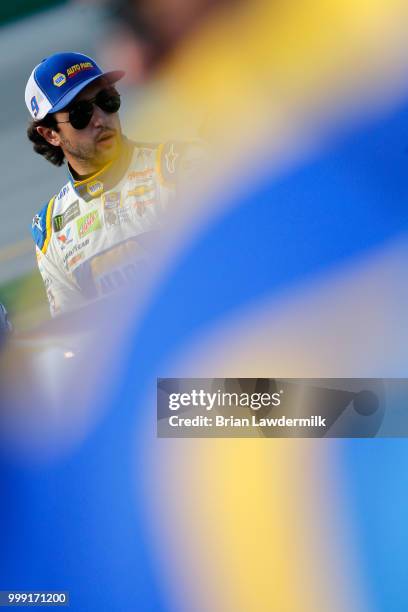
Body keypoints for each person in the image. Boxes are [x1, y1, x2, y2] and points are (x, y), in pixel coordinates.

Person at [26, 51, 187, 317]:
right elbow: (74, 335)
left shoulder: (177, 167)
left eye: (107, 100)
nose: (100, 119)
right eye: (80, 114)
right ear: (50, 134)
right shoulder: (51, 231)